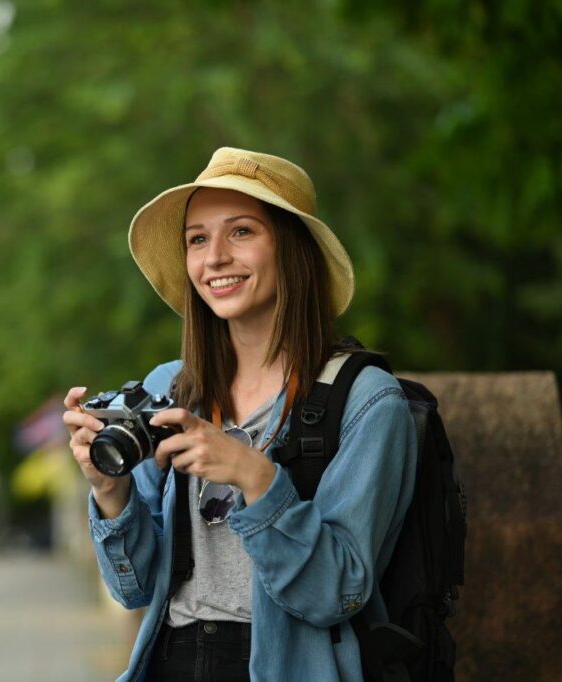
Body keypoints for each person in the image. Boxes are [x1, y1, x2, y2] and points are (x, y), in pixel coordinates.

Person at [62, 148, 417, 681]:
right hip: (172, 662)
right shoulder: (172, 388)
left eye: (243, 232)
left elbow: (336, 593)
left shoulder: (366, 399)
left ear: (291, 248)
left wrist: (254, 475)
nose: (216, 257)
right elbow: (134, 589)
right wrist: (110, 494)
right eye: (198, 239)